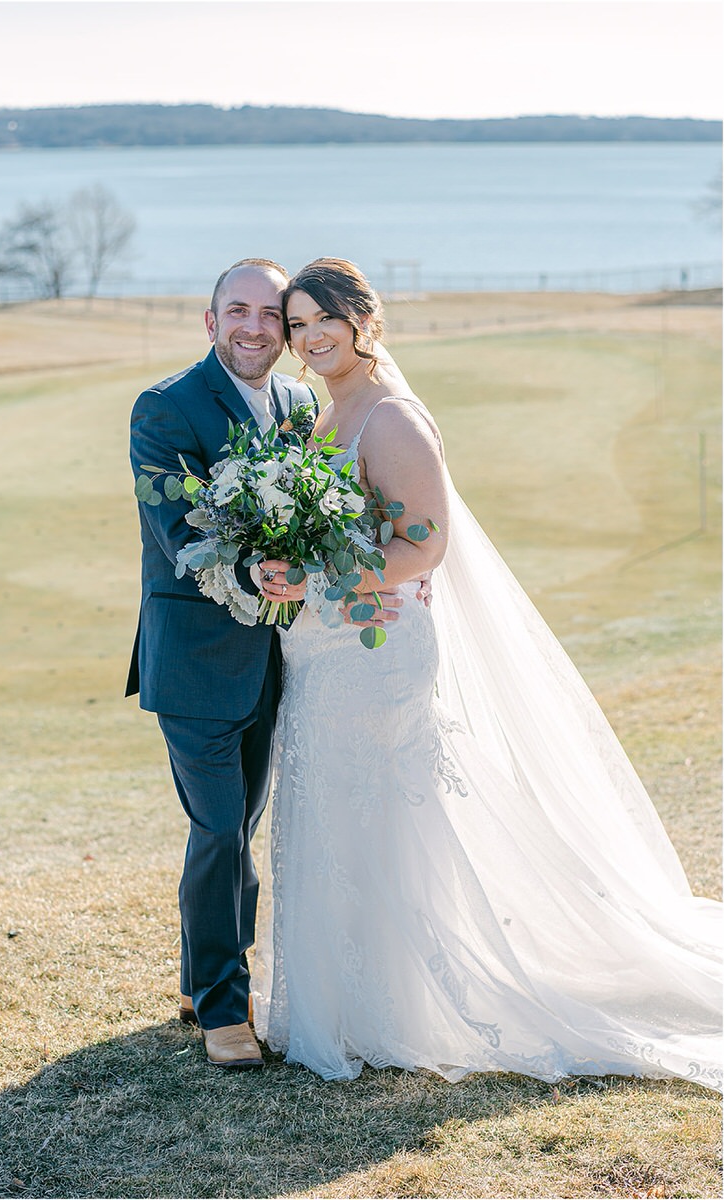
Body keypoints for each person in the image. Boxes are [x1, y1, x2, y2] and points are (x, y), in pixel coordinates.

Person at [251, 258, 722, 1090]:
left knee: (382, 822)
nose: (310, 336)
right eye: (297, 324)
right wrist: (286, 568)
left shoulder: (392, 418)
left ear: (363, 320)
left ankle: (398, 1008)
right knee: (329, 818)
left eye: (324, 318)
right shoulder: (323, 415)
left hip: (375, 656)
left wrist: (324, 577)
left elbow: (425, 546)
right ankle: (341, 1003)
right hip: (320, 654)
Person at [127, 258, 423, 1069]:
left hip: (285, 658)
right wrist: (254, 570)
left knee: (243, 825)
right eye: (239, 311)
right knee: (221, 827)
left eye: (272, 315)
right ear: (211, 321)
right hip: (196, 661)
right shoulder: (164, 407)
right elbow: (180, 535)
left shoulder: (299, 405)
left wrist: (368, 577)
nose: (256, 327)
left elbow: (329, 522)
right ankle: (225, 1010)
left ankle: (197, 979)